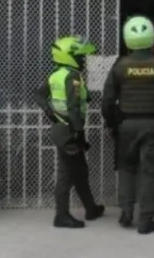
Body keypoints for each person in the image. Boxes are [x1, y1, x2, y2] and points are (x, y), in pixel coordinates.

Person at [102, 15, 154, 235]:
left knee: (127, 168)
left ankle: (126, 212)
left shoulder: (120, 66)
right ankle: (146, 219)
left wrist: (111, 123)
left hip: (126, 126)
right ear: (151, 37)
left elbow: (107, 100)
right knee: (150, 171)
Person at [33, 36, 105, 228]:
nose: (82, 60)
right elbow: (73, 107)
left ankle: (91, 208)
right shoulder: (72, 76)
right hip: (69, 131)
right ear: (69, 56)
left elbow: (39, 95)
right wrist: (79, 133)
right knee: (67, 174)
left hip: (62, 128)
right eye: (79, 56)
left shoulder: (55, 74)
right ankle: (61, 215)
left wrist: (52, 114)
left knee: (80, 171)